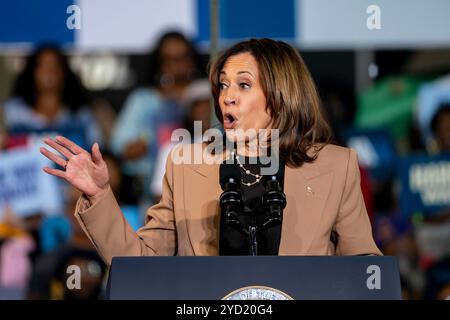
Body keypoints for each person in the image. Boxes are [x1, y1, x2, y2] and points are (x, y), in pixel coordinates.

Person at [40, 38, 381, 265]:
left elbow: (364, 271)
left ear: (281, 93)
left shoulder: (336, 165)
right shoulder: (186, 165)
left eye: (243, 85)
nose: (226, 97)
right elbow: (140, 263)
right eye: (223, 85)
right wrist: (99, 194)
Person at [109, 31, 201, 204]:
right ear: (159, 63)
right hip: (151, 193)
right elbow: (120, 148)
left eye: (183, 57)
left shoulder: (204, 97)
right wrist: (138, 147)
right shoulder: (143, 100)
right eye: (170, 59)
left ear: (192, 60)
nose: (177, 65)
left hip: (199, 186)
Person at [1, 44, 102, 148]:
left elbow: (96, 151)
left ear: (65, 72)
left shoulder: (81, 115)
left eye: (55, 65)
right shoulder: (11, 112)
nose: (49, 71)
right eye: (42, 65)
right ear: (32, 72)